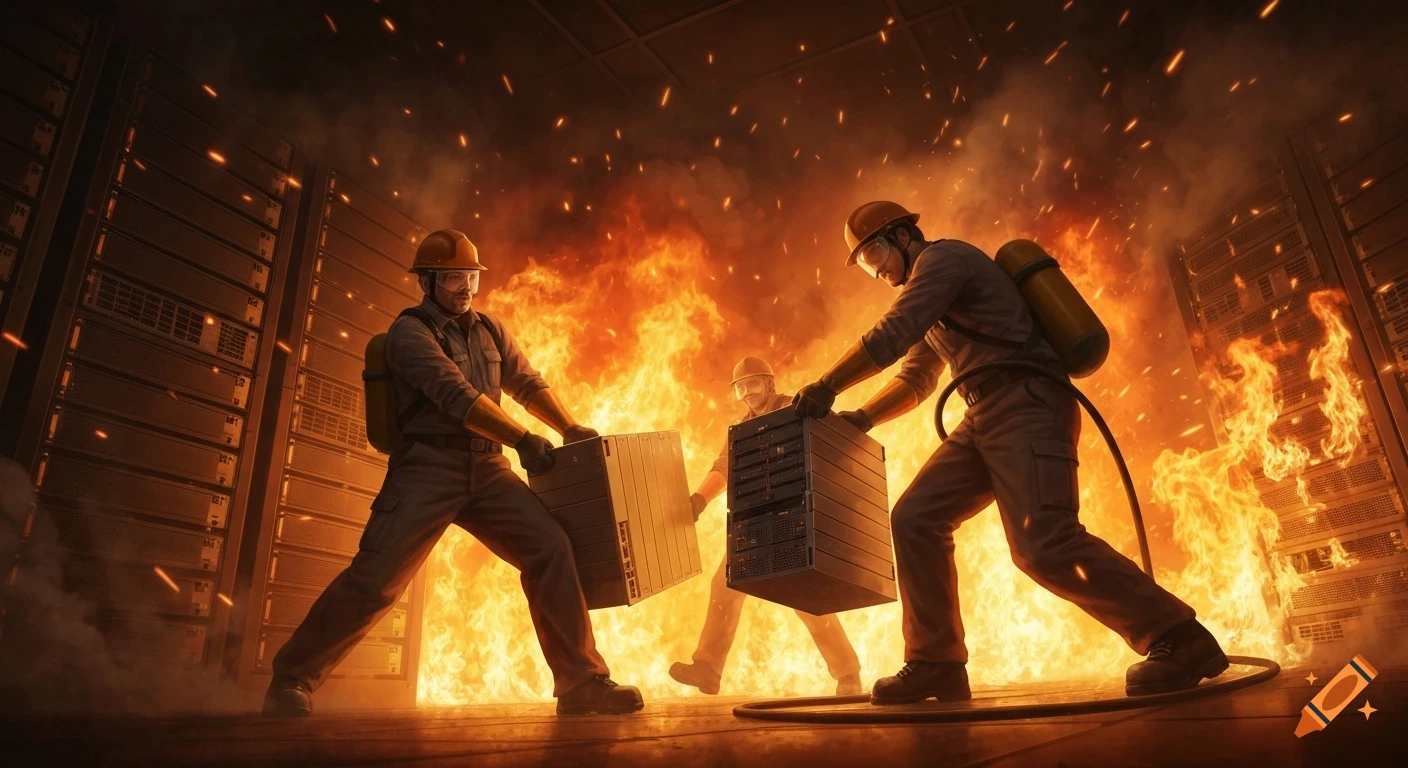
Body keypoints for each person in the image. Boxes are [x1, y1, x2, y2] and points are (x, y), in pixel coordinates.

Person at [793, 202, 1227, 705]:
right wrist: (862, 418)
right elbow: (916, 377)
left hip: (1028, 401)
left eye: (874, 253)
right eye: (866, 263)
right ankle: (936, 663)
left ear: (904, 235)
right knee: (915, 518)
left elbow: (893, 332)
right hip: (982, 415)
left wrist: (827, 385)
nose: (876, 269)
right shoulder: (934, 300)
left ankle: (1180, 638)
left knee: (1042, 541)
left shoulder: (944, 261)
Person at [263, 229, 642, 717]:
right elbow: (455, 395)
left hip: (487, 468)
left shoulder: (490, 329)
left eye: (471, 277)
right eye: (453, 277)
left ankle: (582, 682)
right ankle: (291, 678)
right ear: (427, 281)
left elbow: (525, 382)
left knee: (550, 547)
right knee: (376, 579)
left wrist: (570, 427)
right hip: (427, 468)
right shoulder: (409, 334)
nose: (465, 286)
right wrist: (524, 439)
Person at [669, 356, 863, 697]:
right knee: (725, 586)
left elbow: (831, 442)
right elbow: (724, 465)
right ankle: (708, 669)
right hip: (757, 520)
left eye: (752, 384)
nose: (746, 393)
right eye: (740, 387)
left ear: (769, 384)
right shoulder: (742, 429)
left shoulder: (796, 407)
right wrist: (699, 499)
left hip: (796, 517)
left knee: (805, 596)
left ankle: (848, 674)